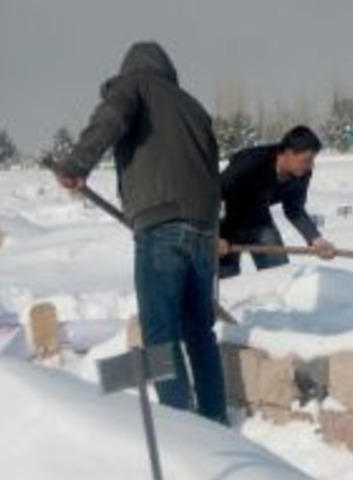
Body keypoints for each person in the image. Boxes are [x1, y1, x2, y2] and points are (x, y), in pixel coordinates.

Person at [52, 41, 227, 424]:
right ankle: (215, 420)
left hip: (161, 224)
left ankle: (182, 431)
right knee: (200, 331)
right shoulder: (193, 106)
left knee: (160, 332)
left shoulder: (133, 85)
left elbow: (111, 117)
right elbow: (211, 168)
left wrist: (77, 163)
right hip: (204, 227)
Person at [218, 126, 336, 278]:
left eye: (313, 160)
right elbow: (214, 194)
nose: (311, 165)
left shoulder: (301, 174)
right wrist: (214, 235)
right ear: (288, 152)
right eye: (307, 160)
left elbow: (294, 209)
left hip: (259, 221)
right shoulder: (251, 162)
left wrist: (316, 240)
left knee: (279, 274)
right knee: (224, 282)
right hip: (227, 223)